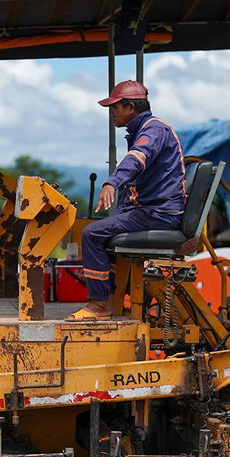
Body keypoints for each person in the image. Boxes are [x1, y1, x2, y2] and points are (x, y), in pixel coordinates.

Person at [69, 80, 186, 321]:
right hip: (151, 211)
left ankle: (99, 304)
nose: (112, 113)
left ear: (131, 107)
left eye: (115, 107)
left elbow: (137, 158)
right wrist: (116, 216)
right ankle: (110, 300)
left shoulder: (154, 130)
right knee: (103, 230)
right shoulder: (143, 130)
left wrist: (111, 182)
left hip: (158, 214)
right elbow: (134, 188)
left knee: (91, 234)